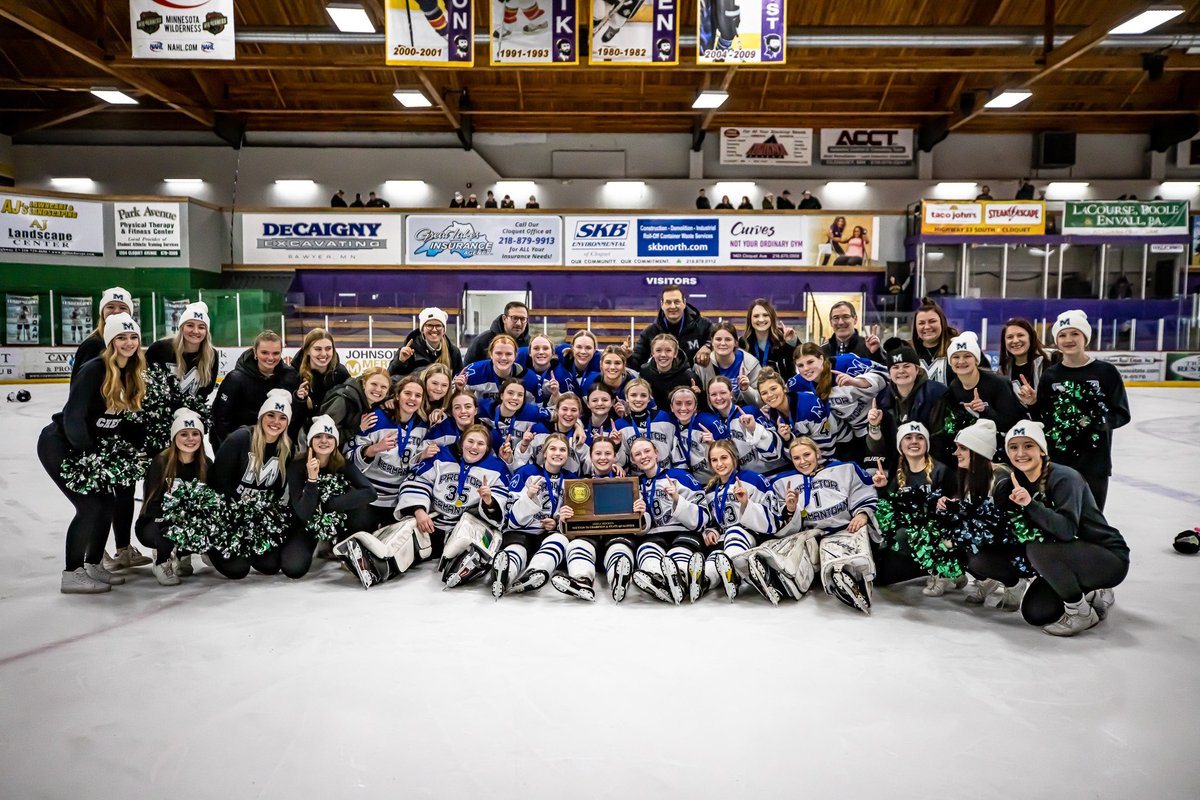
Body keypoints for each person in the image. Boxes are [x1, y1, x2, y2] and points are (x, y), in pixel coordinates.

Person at [974, 422, 1128, 636]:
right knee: (1036, 613)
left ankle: (1082, 613)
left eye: (1028, 446)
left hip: (1106, 557)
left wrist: (1031, 504)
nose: (1020, 453)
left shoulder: (1065, 478)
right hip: (1062, 556)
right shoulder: (1013, 482)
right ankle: (1092, 594)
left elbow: (1066, 530)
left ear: (1042, 450)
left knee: (1036, 548)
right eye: (1013, 447)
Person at [38, 313, 147, 594]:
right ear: (110, 342)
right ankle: (72, 573)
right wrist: (89, 455)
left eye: (133, 336)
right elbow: (73, 418)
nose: (128, 342)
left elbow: (123, 424)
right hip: (61, 445)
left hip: (91, 449)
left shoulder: (132, 373)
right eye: (121, 337)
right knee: (89, 507)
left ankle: (93, 564)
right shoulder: (94, 370)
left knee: (107, 503)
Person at [745, 437, 878, 611]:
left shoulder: (845, 469)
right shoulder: (782, 482)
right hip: (810, 534)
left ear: (817, 453)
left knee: (841, 554)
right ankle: (781, 579)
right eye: (796, 458)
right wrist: (790, 509)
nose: (803, 461)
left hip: (843, 530)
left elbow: (863, 490)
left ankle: (849, 579)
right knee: (790, 552)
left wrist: (862, 513)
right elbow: (780, 520)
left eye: (807, 455)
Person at [1028, 310, 1130, 511]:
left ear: (1085, 337)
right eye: (1063, 335)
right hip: (1060, 459)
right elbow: (1044, 418)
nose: (1068, 339)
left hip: (1095, 460)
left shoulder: (1106, 372)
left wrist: (1094, 422)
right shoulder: (1051, 375)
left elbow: (1121, 413)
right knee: (1063, 512)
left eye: (1075, 333)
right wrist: (1033, 403)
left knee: (1092, 515)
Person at [398, 424, 511, 586]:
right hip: (434, 524)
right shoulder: (441, 456)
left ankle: (462, 567)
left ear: (487, 449)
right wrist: (419, 510)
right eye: (470, 441)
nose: (474, 447)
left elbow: (502, 505)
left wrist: (489, 501)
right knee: (408, 529)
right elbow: (418, 480)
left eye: (480, 444)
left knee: (470, 538)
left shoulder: (497, 468)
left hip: (467, 526)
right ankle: (381, 563)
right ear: (461, 442)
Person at [207, 389, 293, 579]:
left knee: (270, 566)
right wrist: (236, 515)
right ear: (261, 416)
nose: (275, 422)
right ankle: (210, 549)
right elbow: (218, 484)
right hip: (229, 516)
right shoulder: (239, 439)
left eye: (282, 417)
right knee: (238, 570)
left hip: (257, 519)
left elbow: (276, 491)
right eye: (270, 415)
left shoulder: (287, 448)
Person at [286, 415, 377, 578]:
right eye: (318, 437)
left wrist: (328, 505)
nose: (324, 441)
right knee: (293, 568)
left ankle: (345, 543)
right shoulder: (297, 466)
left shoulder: (342, 464)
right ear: (310, 441)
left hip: (335, 521)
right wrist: (312, 480)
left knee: (362, 508)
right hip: (306, 524)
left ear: (335, 442)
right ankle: (317, 544)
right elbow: (304, 513)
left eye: (329, 437)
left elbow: (370, 493)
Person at [870, 421, 957, 592]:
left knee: (904, 535)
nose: (914, 441)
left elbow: (955, 507)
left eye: (919, 438)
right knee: (879, 576)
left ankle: (943, 569)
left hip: (937, 533)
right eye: (908, 438)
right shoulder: (899, 474)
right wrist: (882, 489)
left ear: (927, 443)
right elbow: (889, 512)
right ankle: (944, 571)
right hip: (910, 537)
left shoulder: (942, 471)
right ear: (900, 445)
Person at [492, 433, 576, 598]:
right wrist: (528, 497)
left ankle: (535, 572)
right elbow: (511, 518)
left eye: (562, 450)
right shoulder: (526, 472)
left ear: (567, 455)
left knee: (560, 539)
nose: (557, 453)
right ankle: (504, 575)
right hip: (520, 532)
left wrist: (557, 522)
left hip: (546, 535)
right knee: (518, 548)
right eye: (552, 448)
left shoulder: (571, 480)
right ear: (544, 453)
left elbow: (569, 514)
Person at [627, 437, 709, 605]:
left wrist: (678, 500)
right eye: (637, 454)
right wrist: (640, 515)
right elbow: (641, 528)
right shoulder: (636, 485)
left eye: (647, 451)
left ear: (656, 453)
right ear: (633, 460)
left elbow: (703, 517)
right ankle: (658, 580)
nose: (643, 456)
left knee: (678, 554)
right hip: (655, 534)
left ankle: (680, 577)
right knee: (646, 549)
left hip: (685, 531)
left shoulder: (680, 476)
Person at [135, 410, 212, 586]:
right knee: (169, 528)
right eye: (183, 434)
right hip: (153, 523)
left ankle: (184, 555)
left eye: (195, 434)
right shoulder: (161, 462)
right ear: (174, 437)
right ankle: (161, 562)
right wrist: (173, 519)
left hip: (188, 522)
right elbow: (152, 504)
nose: (190, 439)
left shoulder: (206, 464)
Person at [551, 436, 626, 601]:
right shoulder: (579, 484)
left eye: (608, 453)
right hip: (589, 542)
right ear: (591, 457)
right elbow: (565, 526)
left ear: (615, 457)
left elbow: (638, 522)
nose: (603, 457)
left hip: (615, 539)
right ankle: (582, 581)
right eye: (598, 453)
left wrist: (640, 511)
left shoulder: (626, 483)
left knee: (619, 547)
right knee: (577, 544)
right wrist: (563, 519)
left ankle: (619, 581)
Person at [350, 376, 429, 533]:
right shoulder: (376, 418)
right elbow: (349, 457)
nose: (412, 398)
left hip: (396, 500)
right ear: (397, 396)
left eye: (418, 395)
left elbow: (413, 467)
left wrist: (422, 456)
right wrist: (373, 449)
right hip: (368, 495)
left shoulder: (423, 426)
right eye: (407, 393)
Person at [698, 440, 775, 601]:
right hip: (726, 539)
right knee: (716, 557)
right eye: (714, 460)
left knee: (734, 532)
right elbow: (717, 521)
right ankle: (704, 581)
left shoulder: (753, 479)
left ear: (734, 457)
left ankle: (735, 573)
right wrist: (712, 530)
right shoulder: (711, 489)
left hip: (753, 536)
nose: (719, 464)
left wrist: (747, 503)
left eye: (724, 458)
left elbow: (772, 518)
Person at [937, 331, 1026, 460]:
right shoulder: (955, 386)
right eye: (956, 357)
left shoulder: (998, 383)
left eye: (967, 356)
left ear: (976, 360)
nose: (961, 361)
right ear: (950, 362)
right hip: (974, 451)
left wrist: (985, 410)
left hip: (1004, 451)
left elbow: (1014, 423)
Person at [209, 330, 300, 451]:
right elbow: (220, 417)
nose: (270, 358)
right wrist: (231, 447)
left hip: (273, 446)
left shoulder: (290, 376)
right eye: (264, 352)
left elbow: (294, 416)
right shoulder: (236, 379)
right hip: (240, 445)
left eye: (276, 353)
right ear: (255, 352)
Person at [866, 343, 947, 471]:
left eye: (906, 366)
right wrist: (874, 426)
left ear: (917, 369)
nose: (901, 371)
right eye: (895, 367)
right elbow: (878, 448)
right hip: (898, 468)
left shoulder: (937, 394)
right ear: (889, 373)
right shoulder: (882, 399)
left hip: (932, 466)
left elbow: (942, 439)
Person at [145, 300, 218, 401]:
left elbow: (205, 392)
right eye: (190, 325)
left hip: (194, 414)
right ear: (181, 327)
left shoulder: (211, 355)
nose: (195, 331)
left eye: (201, 327)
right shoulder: (159, 349)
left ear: (206, 332)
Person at [630, 284, 714, 368]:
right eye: (668, 302)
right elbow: (636, 363)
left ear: (684, 303)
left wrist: (708, 346)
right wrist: (627, 357)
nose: (673, 306)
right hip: (661, 378)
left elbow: (719, 341)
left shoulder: (703, 325)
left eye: (677, 302)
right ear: (662, 305)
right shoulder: (650, 332)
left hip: (694, 377)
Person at [292, 328, 351, 442]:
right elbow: (291, 416)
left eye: (328, 349)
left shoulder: (341, 373)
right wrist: (299, 400)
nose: (324, 354)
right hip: (301, 439)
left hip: (330, 437)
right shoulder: (294, 374)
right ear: (307, 350)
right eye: (318, 349)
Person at [512, 392, 588, 473]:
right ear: (557, 410)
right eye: (564, 409)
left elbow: (590, 466)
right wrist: (524, 445)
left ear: (579, 414)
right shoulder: (539, 430)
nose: (569, 414)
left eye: (573, 410)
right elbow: (521, 463)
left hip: (570, 482)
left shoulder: (581, 437)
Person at [693, 321, 762, 407]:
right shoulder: (702, 364)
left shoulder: (751, 364)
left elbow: (761, 402)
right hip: (713, 412)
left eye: (728, 339)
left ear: (736, 343)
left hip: (742, 412)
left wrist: (746, 390)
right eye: (718, 339)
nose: (723, 343)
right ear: (712, 342)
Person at [71, 286, 133, 381]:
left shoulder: (132, 345)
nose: (116, 311)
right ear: (102, 312)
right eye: (110, 307)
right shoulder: (92, 345)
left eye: (123, 307)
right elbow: (78, 387)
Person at [320, 366, 391, 446]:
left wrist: (390, 401)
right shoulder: (344, 400)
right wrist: (358, 429)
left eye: (383, 387)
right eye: (374, 384)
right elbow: (323, 435)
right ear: (364, 383)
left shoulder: (372, 402)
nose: (378, 390)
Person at [614, 378, 673, 470]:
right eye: (633, 395)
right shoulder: (619, 425)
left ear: (650, 397)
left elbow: (675, 448)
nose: (638, 399)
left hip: (665, 475)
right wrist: (616, 446)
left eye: (643, 395)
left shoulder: (664, 417)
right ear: (626, 397)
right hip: (638, 478)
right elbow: (622, 462)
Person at [389, 306, 463, 378]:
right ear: (422, 329)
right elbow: (390, 377)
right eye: (429, 325)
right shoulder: (408, 349)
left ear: (444, 330)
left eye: (438, 325)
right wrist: (400, 361)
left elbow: (456, 381)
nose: (434, 329)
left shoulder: (453, 352)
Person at [909, 301, 969, 385]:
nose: (927, 327)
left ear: (942, 322)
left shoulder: (961, 346)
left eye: (932, 321)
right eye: (921, 323)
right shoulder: (908, 351)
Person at [998, 317, 1054, 404]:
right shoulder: (1002, 371)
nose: (1015, 340)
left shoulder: (1049, 362)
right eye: (1010, 337)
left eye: (1020, 335)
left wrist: (1037, 399)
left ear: (1030, 337)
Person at [639, 333, 699, 412]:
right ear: (652, 353)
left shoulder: (688, 376)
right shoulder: (645, 372)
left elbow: (699, 407)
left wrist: (698, 395)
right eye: (658, 350)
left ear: (675, 353)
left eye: (668, 350)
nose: (663, 354)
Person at [459, 334, 525, 404]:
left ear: (515, 355)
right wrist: (459, 390)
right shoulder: (474, 371)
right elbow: (454, 400)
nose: (503, 358)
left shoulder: (526, 376)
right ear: (491, 354)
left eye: (508, 354)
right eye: (498, 353)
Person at [740, 299, 797, 377]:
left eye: (765, 315)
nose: (761, 319)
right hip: (753, 387)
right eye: (756, 316)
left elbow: (802, 358)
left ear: (771, 317)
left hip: (784, 387)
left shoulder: (784, 336)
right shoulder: (743, 342)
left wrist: (793, 342)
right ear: (750, 319)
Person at [463, 301, 530, 364]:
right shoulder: (482, 341)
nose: (518, 323)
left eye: (523, 319)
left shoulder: (531, 345)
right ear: (504, 319)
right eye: (514, 318)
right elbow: (467, 370)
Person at [820, 301, 884, 363]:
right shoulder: (821, 350)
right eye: (836, 318)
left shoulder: (870, 346)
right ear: (831, 322)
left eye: (845, 317)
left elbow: (887, 371)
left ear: (855, 319)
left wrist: (876, 354)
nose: (841, 322)